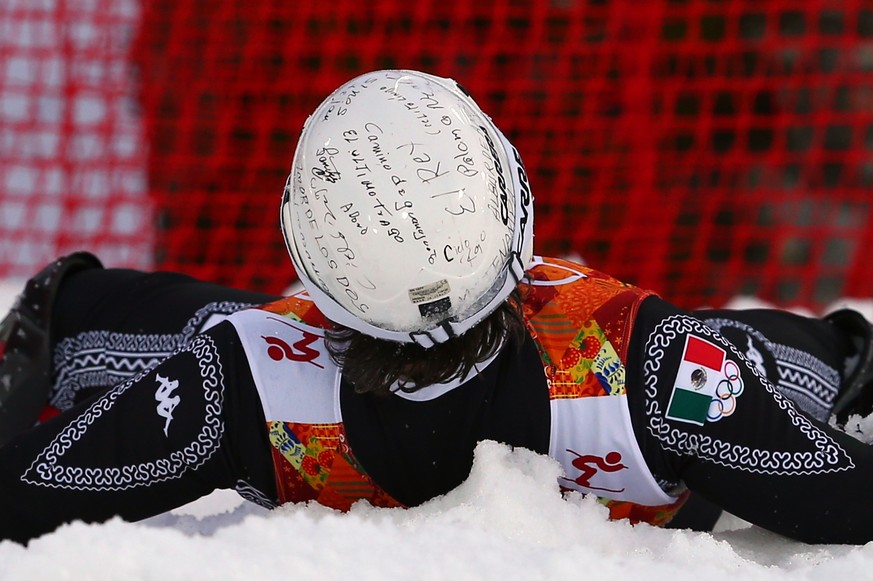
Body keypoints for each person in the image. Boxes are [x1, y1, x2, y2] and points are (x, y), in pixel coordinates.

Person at [2, 69, 873, 545]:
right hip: (667, 399)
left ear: (311, 264)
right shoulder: (651, 366)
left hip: (269, 379)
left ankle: (77, 312)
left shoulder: (235, 385)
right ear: (514, 211)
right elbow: (848, 500)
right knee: (747, 356)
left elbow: (19, 495)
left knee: (199, 325)